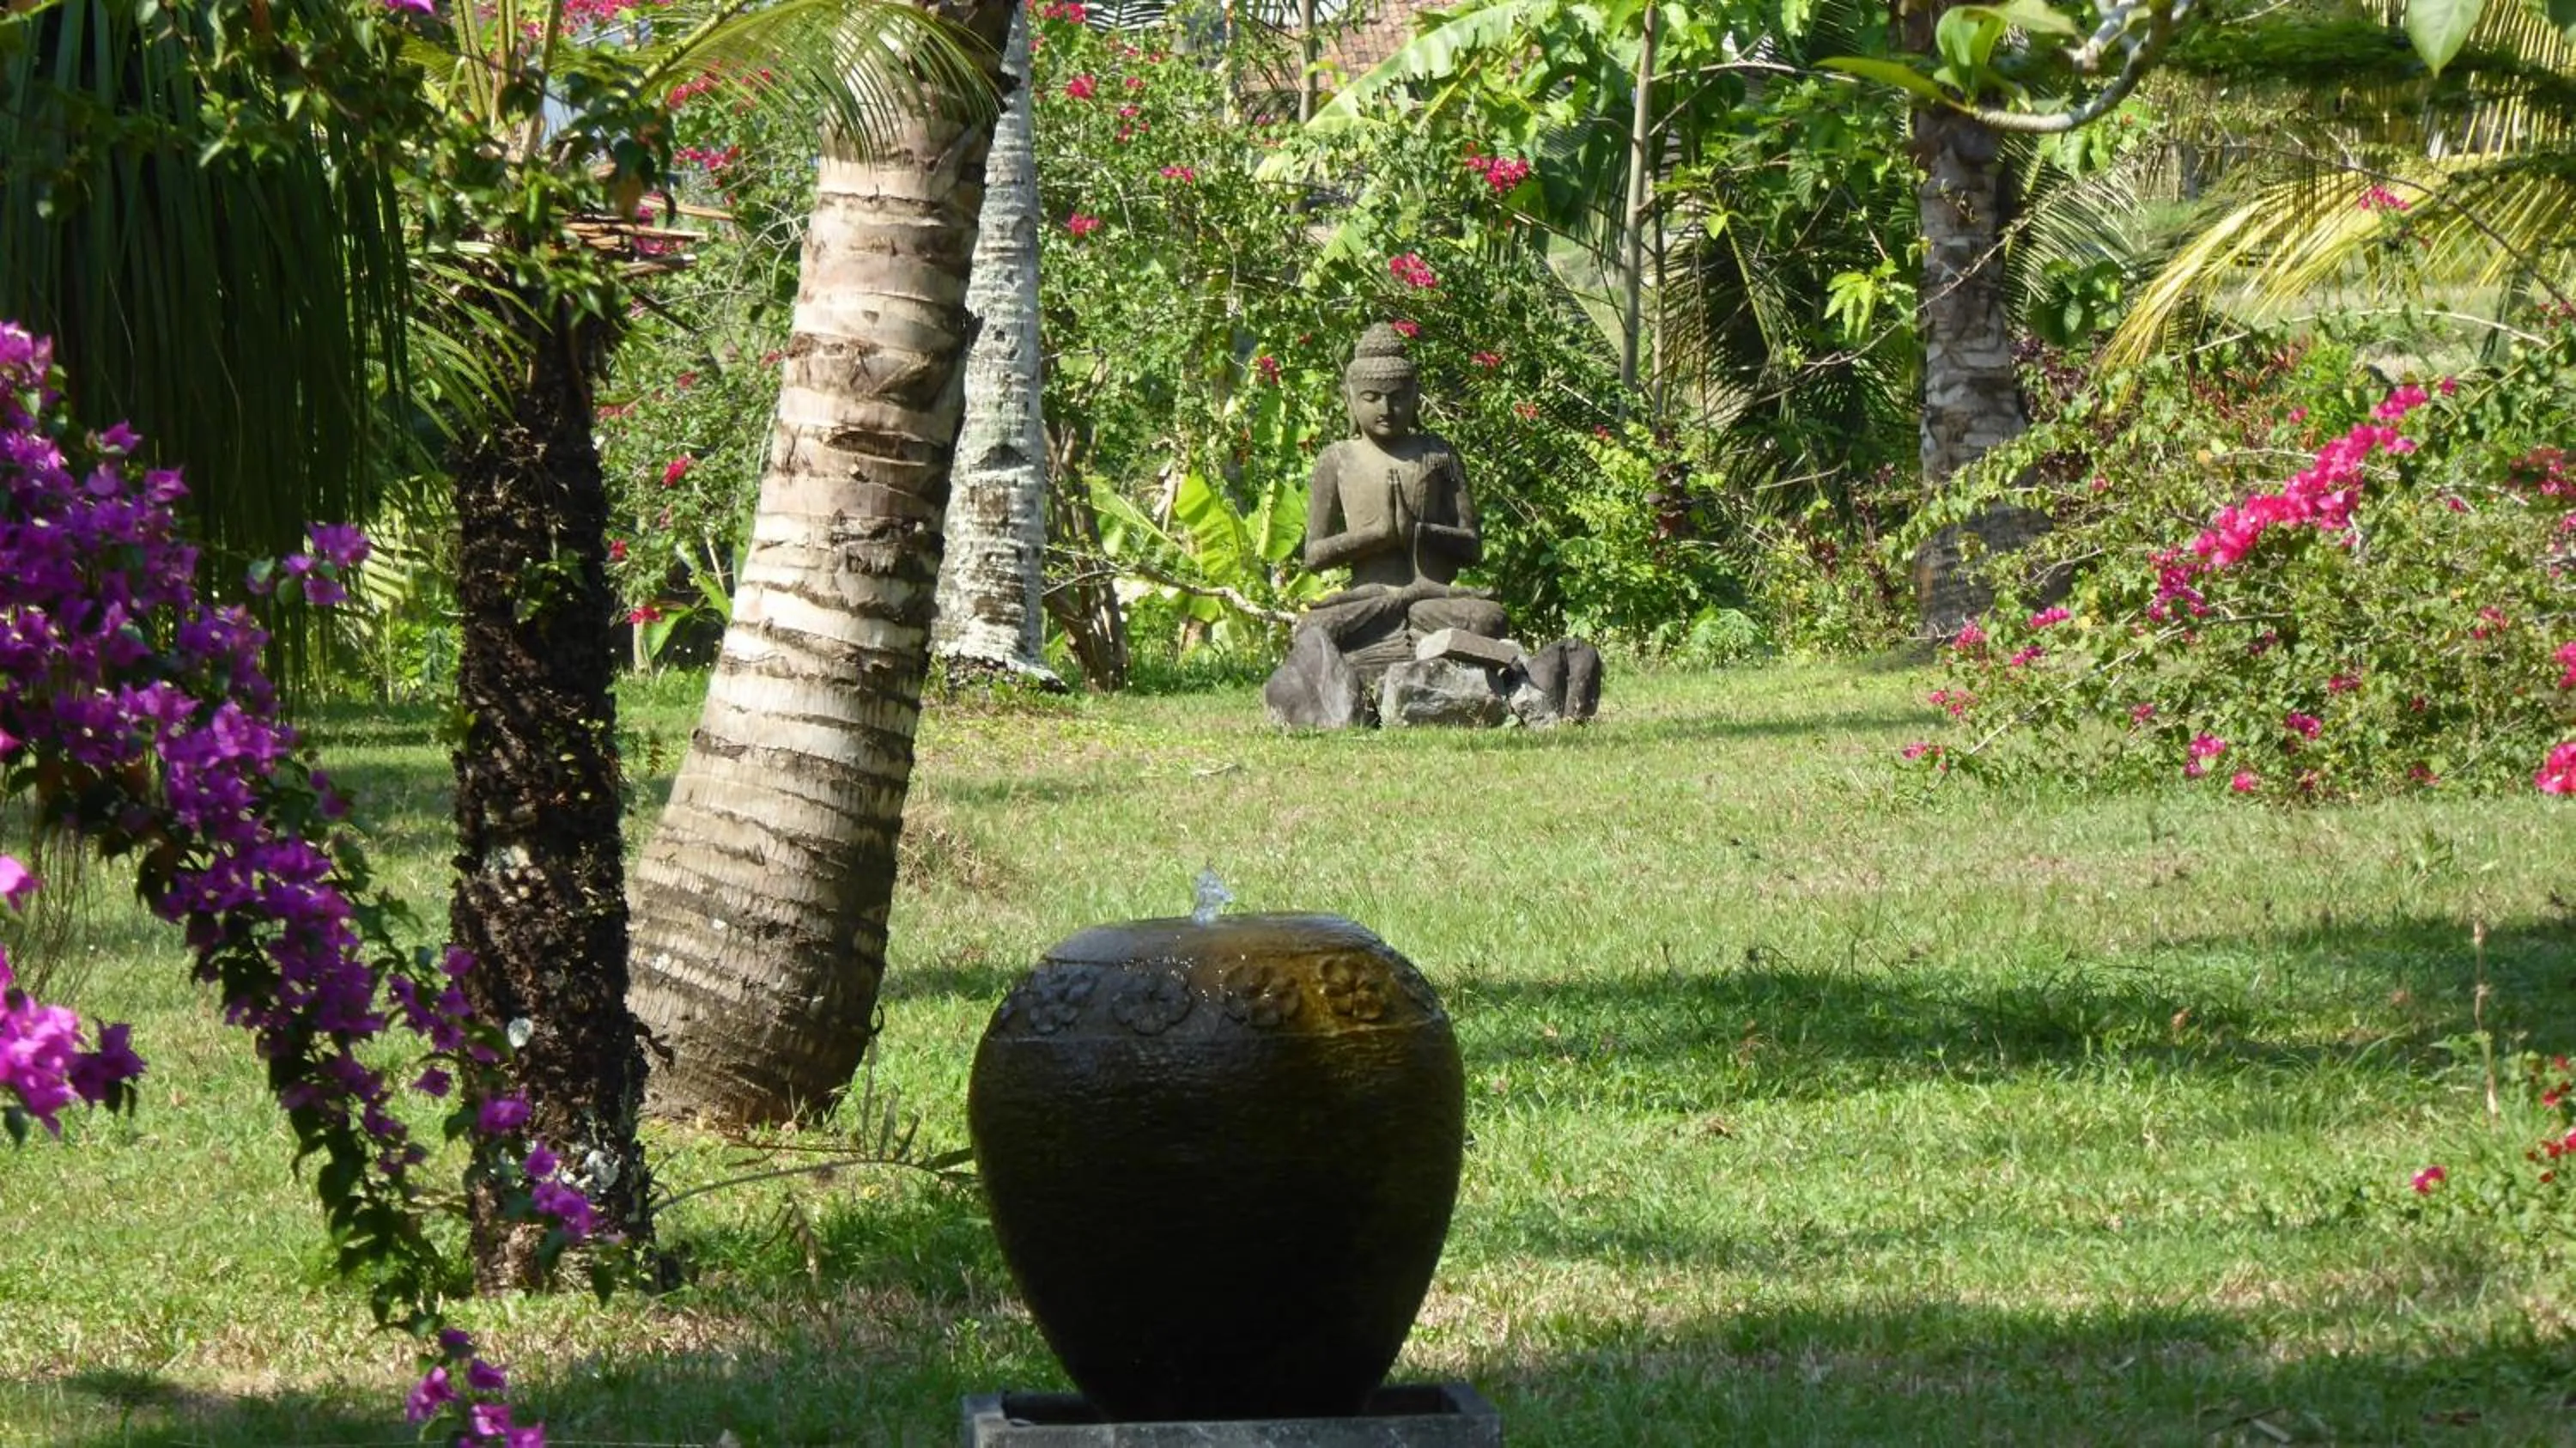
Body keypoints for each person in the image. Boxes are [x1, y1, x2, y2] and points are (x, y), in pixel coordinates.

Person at [1297, 324, 1510, 676]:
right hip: (1370, 600)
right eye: (1371, 397)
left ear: (1415, 398)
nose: (1386, 407)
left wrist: (1418, 531)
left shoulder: (1438, 453)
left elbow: (1472, 546)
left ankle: (1390, 661)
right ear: (1349, 399)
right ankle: (1416, 658)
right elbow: (1314, 555)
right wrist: (1378, 535)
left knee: (1489, 618)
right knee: (1311, 629)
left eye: (1397, 396)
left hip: (1431, 599)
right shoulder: (1337, 459)